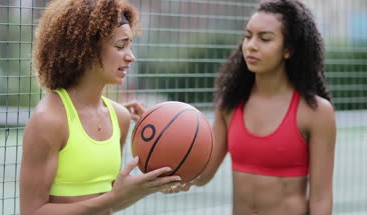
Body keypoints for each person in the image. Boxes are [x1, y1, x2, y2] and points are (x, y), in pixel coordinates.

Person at [19, 0, 181, 215]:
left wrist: (146, 187)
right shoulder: (49, 119)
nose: (131, 56)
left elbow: (110, 202)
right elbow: (32, 212)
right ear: (86, 49)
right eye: (120, 46)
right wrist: (113, 198)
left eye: (130, 45)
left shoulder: (120, 117)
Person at [193, 0, 337, 214]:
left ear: (288, 49)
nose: (251, 45)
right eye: (248, 36)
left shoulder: (316, 112)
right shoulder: (230, 103)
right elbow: (202, 176)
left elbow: (321, 199)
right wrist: (163, 128)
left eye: (265, 38)